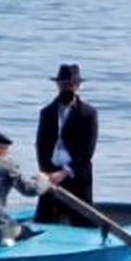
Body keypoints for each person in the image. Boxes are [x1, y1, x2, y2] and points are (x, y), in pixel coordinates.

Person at [0, 130, 63, 246]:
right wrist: (44, 179)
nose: (7, 153)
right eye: (6, 149)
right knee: (27, 232)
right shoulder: (7, 166)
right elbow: (30, 190)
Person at [34, 63, 98, 226]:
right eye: (64, 84)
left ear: (78, 86)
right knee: (44, 220)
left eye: (72, 84)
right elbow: (41, 145)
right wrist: (46, 171)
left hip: (76, 174)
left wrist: (64, 172)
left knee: (82, 221)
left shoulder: (88, 113)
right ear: (58, 84)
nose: (68, 87)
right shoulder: (47, 112)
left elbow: (87, 151)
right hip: (50, 172)